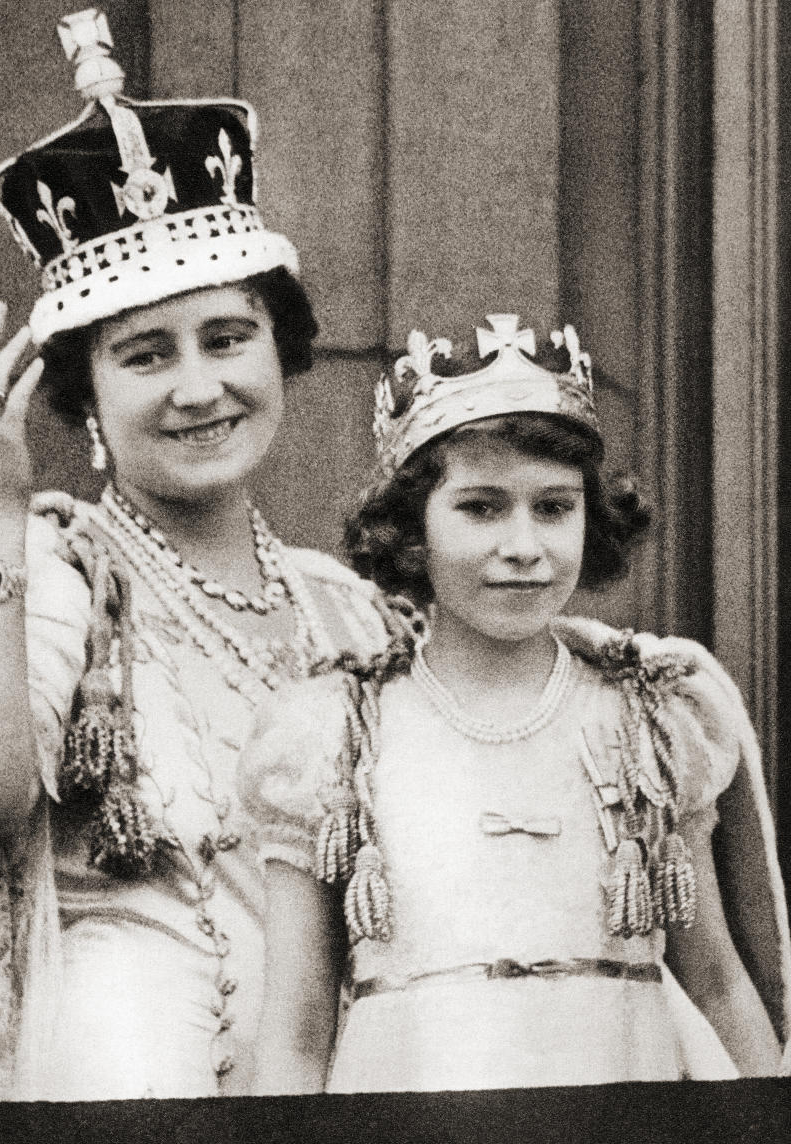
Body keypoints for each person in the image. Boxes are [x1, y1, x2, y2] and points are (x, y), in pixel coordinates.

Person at [0, 10, 399, 1102]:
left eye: (229, 339)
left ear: (280, 352)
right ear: (86, 398)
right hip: (123, 1080)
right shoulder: (53, 577)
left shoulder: (349, 611)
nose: (200, 387)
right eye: (147, 354)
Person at [240, 316, 791, 1092]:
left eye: (554, 507)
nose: (524, 544)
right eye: (482, 507)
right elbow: (297, 1032)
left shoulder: (649, 716)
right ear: (410, 529)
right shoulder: (334, 734)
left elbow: (717, 982)